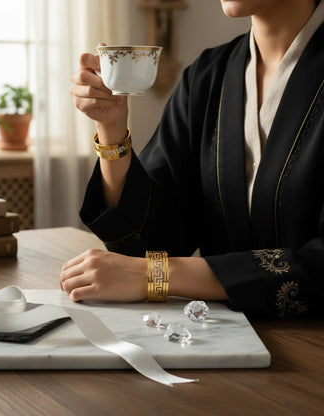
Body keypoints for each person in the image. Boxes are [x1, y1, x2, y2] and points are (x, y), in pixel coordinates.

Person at [62, 0, 324, 317]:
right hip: (213, 338)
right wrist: (111, 128)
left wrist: (153, 276)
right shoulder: (208, 76)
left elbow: (147, 268)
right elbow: (149, 246)